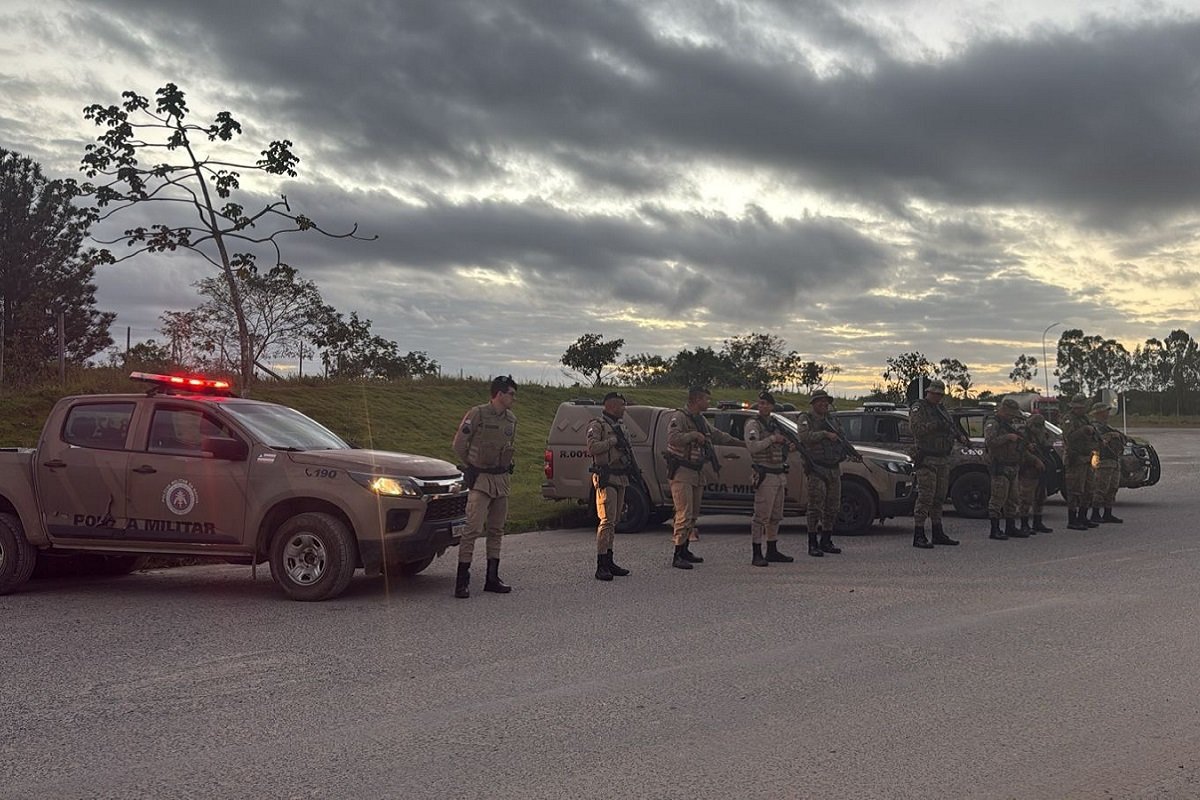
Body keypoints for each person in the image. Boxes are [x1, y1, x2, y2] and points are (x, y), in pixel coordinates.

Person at [450, 375, 518, 598]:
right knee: (472, 529)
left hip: (501, 479)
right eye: (511, 394)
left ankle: (492, 577)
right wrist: (470, 466)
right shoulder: (477, 413)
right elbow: (459, 444)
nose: (513, 399)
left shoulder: (511, 419)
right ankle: (462, 580)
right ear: (499, 394)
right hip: (480, 479)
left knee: (497, 530)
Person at [664, 386, 746, 569]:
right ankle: (677, 553)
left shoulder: (700, 419)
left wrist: (741, 443)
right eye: (706, 400)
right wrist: (693, 435)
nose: (709, 403)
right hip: (682, 472)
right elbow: (673, 438)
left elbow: (717, 435)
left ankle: (685, 549)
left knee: (693, 515)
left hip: (697, 471)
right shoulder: (680, 418)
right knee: (683, 513)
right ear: (697, 400)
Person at [796, 389, 860, 557]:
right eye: (820, 401)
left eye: (826, 401)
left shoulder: (833, 420)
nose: (824, 404)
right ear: (814, 403)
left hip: (833, 468)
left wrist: (850, 452)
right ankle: (812, 543)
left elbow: (842, 439)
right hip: (817, 468)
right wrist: (824, 434)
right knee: (815, 507)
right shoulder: (806, 419)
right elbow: (804, 437)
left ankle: (826, 540)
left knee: (832, 507)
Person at [908, 378, 971, 548]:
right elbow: (916, 429)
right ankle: (919, 534)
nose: (937, 397)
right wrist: (936, 425)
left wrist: (961, 437)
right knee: (925, 497)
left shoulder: (941, 409)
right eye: (934, 394)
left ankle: (937, 532)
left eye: (940, 395)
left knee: (939, 497)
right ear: (928, 392)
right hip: (927, 458)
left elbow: (950, 426)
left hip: (943, 458)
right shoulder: (919, 408)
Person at [586, 392, 634, 581]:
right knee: (606, 521)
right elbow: (592, 447)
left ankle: (610, 559)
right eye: (622, 405)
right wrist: (612, 441)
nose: (624, 409)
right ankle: (601, 564)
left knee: (614, 521)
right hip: (606, 476)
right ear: (612, 405)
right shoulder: (597, 425)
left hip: (621, 476)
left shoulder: (620, 425)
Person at [744, 391, 793, 567]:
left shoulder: (775, 424)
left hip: (779, 473)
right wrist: (772, 439)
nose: (763, 406)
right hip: (765, 474)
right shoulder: (753, 424)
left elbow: (785, 446)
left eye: (767, 403)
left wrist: (788, 444)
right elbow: (752, 446)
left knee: (776, 516)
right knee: (760, 516)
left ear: (772, 406)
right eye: (761, 403)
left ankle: (772, 549)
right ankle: (757, 552)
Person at [983, 397, 1027, 541]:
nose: (1011, 417)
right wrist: (1007, 437)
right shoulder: (993, 423)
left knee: (1013, 498)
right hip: (999, 466)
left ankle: (1010, 526)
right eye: (1009, 414)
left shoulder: (1008, 424)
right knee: (997, 498)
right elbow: (990, 442)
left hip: (1012, 465)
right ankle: (994, 529)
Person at [1060, 394, 1100, 531]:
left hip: (1087, 458)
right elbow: (1069, 437)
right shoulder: (1068, 419)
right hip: (1075, 459)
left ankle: (1083, 517)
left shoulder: (1085, 418)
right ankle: (1073, 519)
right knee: (1075, 490)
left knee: (1089, 489)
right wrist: (1083, 431)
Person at [1017, 414, 1054, 534]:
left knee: (1040, 497)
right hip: (1028, 470)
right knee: (1026, 498)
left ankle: (1037, 522)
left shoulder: (1041, 434)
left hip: (1040, 469)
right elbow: (1021, 451)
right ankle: (1024, 524)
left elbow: (1047, 446)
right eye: (1037, 426)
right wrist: (1034, 460)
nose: (1039, 429)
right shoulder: (1023, 434)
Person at [1089, 402, 1125, 524]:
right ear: (1098, 413)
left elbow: (1121, 437)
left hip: (1113, 459)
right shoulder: (1095, 426)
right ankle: (1095, 513)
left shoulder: (1106, 426)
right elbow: (1099, 439)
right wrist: (1112, 435)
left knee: (1112, 487)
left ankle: (1107, 513)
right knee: (1101, 488)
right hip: (1104, 459)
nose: (1107, 413)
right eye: (1105, 411)